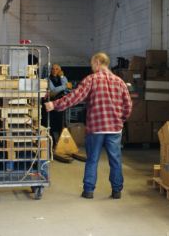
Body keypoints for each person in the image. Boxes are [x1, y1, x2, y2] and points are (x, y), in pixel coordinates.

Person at [45, 53, 132, 200]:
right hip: (114, 128)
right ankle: (117, 191)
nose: (92, 67)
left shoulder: (91, 80)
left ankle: (89, 191)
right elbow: (128, 106)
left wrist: (54, 104)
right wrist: (119, 120)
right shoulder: (120, 82)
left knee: (92, 159)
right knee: (115, 160)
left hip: (96, 128)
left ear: (97, 62)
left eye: (92, 64)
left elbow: (75, 97)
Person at [47, 64, 72, 144]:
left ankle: (61, 144)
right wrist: (64, 86)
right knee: (51, 124)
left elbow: (68, 90)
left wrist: (62, 77)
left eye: (57, 69)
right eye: (53, 69)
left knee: (61, 124)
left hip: (61, 104)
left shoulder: (62, 78)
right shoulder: (47, 79)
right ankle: (53, 143)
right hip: (51, 104)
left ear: (60, 70)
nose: (54, 70)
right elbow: (53, 91)